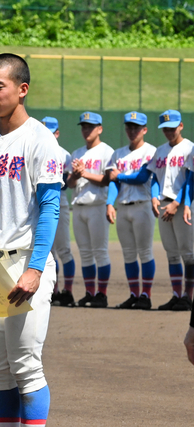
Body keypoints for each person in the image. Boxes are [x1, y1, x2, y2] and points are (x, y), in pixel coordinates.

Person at [0, 53, 62, 427]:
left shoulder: (41, 141)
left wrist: (36, 269)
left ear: (22, 90)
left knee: (26, 365)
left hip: (24, 263)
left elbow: (50, 209)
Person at [115, 110, 193, 311]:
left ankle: (188, 296)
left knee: (188, 253)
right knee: (172, 253)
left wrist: (178, 203)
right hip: (164, 205)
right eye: (165, 128)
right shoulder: (160, 151)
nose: (169, 131)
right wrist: (154, 197)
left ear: (181, 126)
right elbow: (155, 178)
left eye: (172, 127)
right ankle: (177, 295)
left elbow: (191, 180)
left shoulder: (189, 148)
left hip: (184, 205)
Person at [106, 112, 157, 310]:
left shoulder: (150, 151)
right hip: (124, 208)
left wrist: (120, 175)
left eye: (136, 127)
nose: (132, 130)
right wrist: (110, 203)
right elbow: (113, 182)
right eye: (129, 127)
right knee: (128, 254)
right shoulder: (118, 154)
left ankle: (146, 295)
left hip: (142, 205)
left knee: (145, 252)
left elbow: (142, 177)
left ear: (144, 130)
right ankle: (134, 295)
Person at [66, 112, 114, 308]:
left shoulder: (107, 152)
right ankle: (89, 292)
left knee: (100, 252)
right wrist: (76, 176)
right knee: (85, 253)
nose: (86, 130)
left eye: (90, 127)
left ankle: (101, 294)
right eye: (84, 126)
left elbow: (108, 179)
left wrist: (84, 172)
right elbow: (69, 183)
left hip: (97, 206)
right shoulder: (77, 153)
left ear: (100, 129)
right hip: (78, 206)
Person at [42, 116, 76, 307]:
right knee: (49, 251)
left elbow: (69, 183)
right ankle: (53, 291)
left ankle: (68, 292)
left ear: (57, 133)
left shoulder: (65, 155)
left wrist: (76, 177)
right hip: (40, 205)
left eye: (51, 131)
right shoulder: (35, 151)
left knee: (64, 250)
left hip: (60, 203)